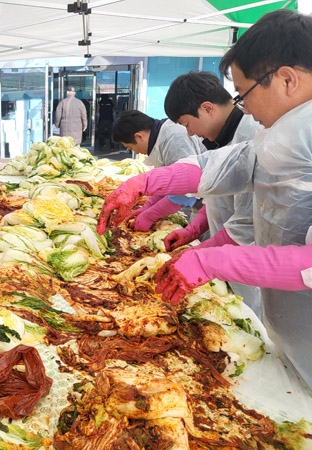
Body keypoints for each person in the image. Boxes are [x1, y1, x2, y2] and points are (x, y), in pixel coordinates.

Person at [96, 9, 312, 388]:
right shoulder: (287, 132)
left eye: (244, 94)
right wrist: (145, 183)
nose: (245, 107)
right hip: (292, 333)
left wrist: (212, 258)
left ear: (287, 80)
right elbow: (228, 165)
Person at [163, 71, 262, 317]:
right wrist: (193, 230)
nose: (189, 134)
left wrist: (201, 254)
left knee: (250, 318)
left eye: (187, 124)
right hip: (224, 258)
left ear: (207, 109)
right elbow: (222, 198)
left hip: (250, 266)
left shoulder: (252, 137)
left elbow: (246, 224)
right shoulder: (221, 139)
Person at [111, 109, 205, 232]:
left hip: (213, 204)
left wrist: (150, 215)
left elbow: (185, 191)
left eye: (131, 148)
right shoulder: (160, 138)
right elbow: (167, 184)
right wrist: (147, 206)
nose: (136, 152)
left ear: (139, 137)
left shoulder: (175, 138)